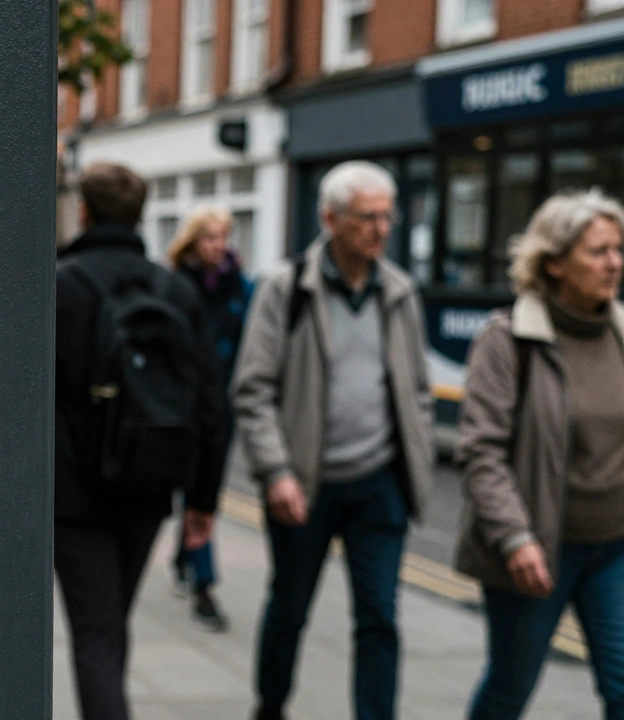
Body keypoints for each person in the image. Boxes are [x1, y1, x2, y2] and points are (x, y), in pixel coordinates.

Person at [232, 160, 434, 720]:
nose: (381, 228)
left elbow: (416, 386)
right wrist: (276, 472)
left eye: (387, 216)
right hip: (304, 486)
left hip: (379, 483)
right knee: (289, 610)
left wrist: (410, 457)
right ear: (330, 218)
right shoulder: (285, 289)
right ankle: (269, 708)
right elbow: (252, 390)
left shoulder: (399, 292)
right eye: (367, 217)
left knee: (379, 617)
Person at [55, 162, 228, 720]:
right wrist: (202, 501)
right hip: (149, 483)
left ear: (84, 210)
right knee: (112, 623)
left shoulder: (59, 284)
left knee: (96, 633)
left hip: (73, 496)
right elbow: (211, 405)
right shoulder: (174, 291)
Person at [455, 189, 624, 720]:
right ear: (554, 263)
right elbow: (482, 451)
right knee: (510, 688)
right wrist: (515, 537)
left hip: (613, 549)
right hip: (535, 548)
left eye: (619, 249)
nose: (614, 263)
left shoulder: (622, 332)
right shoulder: (508, 341)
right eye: (598, 251)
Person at [164, 206, 253, 631]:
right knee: (195, 490)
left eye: (223, 236)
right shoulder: (177, 285)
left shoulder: (241, 287)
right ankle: (202, 582)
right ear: (193, 241)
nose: (218, 245)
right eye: (210, 237)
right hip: (186, 406)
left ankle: (192, 566)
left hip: (223, 407)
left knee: (206, 492)